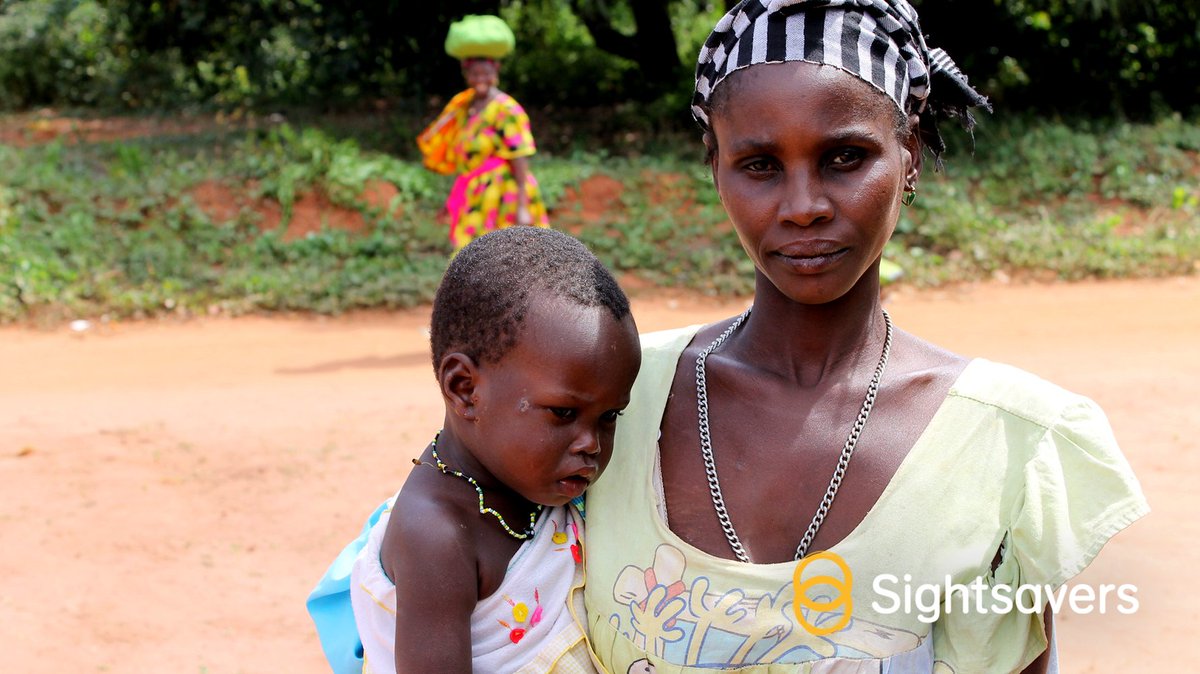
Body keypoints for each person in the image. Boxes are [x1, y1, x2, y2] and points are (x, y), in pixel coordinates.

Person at [581, 2, 1149, 673]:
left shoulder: (1006, 445)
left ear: (907, 155)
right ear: (715, 168)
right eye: (760, 164)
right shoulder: (606, 394)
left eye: (844, 157)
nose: (803, 206)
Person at [347, 227, 641, 673]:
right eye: (563, 413)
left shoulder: (534, 481)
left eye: (609, 417)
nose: (591, 444)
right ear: (464, 389)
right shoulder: (437, 535)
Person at [417, 15, 551, 253]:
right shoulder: (464, 105)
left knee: (507, 258)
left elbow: (519, 158)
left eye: (486, 74)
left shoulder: (506, 108)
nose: (481, 80)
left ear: (496, 70)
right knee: (470, 259)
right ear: (465, 73)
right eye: (475, 75)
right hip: (475, 193)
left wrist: (523, 206)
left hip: (503, 194)